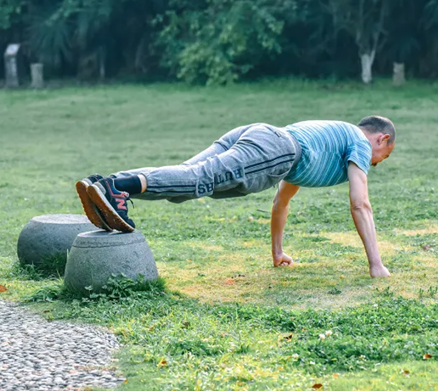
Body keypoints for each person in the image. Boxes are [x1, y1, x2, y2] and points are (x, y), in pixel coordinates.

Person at [76, 116, 395, 277]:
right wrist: (376, 264)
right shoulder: (360, 142)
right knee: (195, 179)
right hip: (276, 146)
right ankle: (115, 187)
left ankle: (103, 185)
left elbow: (281, 201)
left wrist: (278, 251)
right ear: (382, 139)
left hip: (265, 136)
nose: (375, 163)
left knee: (187, 177)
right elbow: (360, 203)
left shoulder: (329, 141)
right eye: (384, 156)